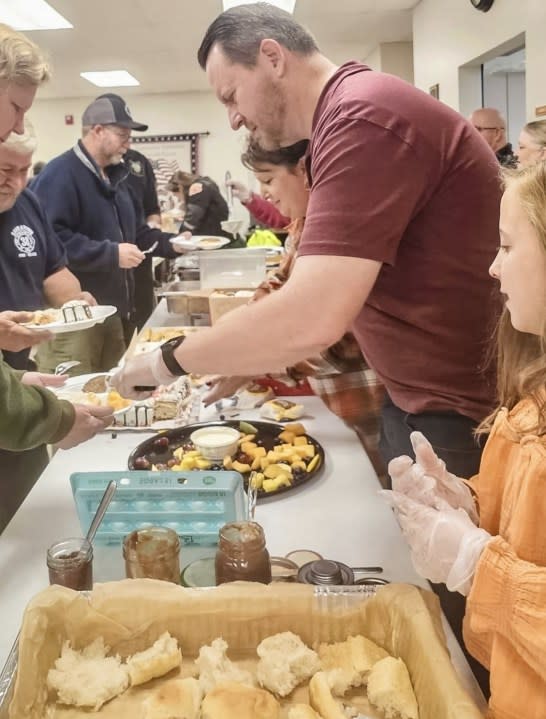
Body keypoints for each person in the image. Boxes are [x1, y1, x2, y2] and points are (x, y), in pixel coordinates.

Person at [113, 2, 501, 481]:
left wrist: (164, 363)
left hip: (459, 411)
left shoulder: (362, 116)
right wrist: (242, 355)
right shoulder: (346, 117)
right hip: (419, 398)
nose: (233, 118)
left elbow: (311, 316)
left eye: (232, 96)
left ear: (273, 57)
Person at [383, 161, 546, 719]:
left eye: (507, 245)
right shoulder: (532, 395)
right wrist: (467, 507)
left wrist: (478, 566)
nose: (494, 268)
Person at [206, 137, 386, 474]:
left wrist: (252, 362)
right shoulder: (306, 223)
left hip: (366, 407)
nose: (267, 194)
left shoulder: (344, 228)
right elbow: (279, 281)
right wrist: (238, 329)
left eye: (270, 180)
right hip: (337, 409)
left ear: (304, 171)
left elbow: (336, 341)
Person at [0, 24, 113, 531]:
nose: (16, 123)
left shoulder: (28, 205)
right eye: (16, 108)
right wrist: (58, 420)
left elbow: (54, 268)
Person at [31, 94, 180, 374]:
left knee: (112, 395)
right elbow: (49, 240)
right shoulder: (60, 174)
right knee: (72, 399)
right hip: (76, 316)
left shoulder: (117, 177)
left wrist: (174, 245)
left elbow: (137, 234)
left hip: (113, 312)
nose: (128, 142)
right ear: (97, 131)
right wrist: (110, 254)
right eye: (122, 134)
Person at [0, 119, 101, 511]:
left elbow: (53, 269)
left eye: (24, 170)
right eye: (5, 170)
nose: (17, 181)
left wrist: (77, 302)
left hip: (19, 370)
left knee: (26, 494)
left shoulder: (27, 202)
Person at [123, 143, 162, 329]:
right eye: (120, 133)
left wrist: (153, 227)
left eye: (128, 134)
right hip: (105, 265)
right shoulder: (78, 169)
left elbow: (152, 208)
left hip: (141, 254)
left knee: (144, 320)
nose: (126, 139)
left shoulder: (138, 162)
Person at [167, 170, 229, 237]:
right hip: (217, 230)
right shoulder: (205, 183)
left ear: (180, 187)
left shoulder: (197, 187)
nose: (179, 199)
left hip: (212, 234)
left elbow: (192, 218)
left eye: (176, 195)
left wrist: (178, 236)